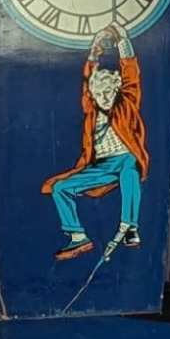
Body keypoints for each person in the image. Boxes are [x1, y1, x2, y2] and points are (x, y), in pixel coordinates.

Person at [45, 26, 148, 256]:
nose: (104, 98)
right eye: (99, 95)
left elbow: (131, 74)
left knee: (130, 168)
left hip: (125, 158)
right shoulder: (91, 110)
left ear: (116, 90)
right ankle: (78, 237)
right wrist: (94, 52)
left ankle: (130, 226)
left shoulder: (127, 103)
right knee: (60, 188)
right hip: (101, 166)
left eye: (108, 93)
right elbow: (87, 82)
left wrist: (122, 40)